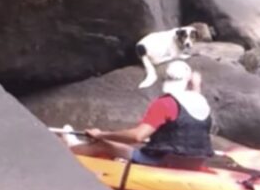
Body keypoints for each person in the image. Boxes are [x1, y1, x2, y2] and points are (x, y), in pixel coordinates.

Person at [67, 60, 214, 169]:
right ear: (188, 82)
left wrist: (101, 135)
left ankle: (63, 157)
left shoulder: (165, 104)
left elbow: (137, 137)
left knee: (102, 145)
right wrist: (196, 84)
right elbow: (192, 103)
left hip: (163, 163)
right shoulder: (201, 101)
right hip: (195, 163)